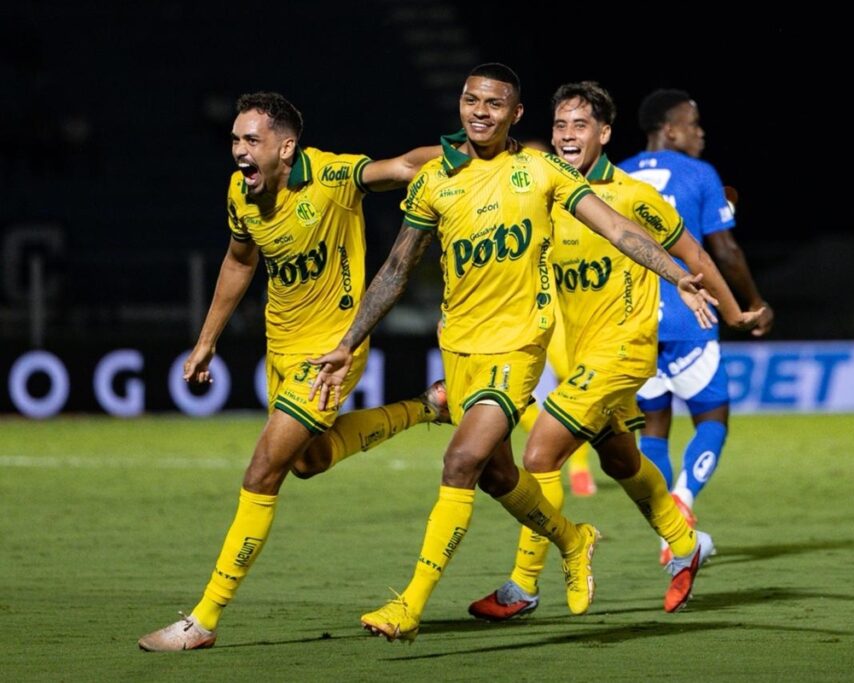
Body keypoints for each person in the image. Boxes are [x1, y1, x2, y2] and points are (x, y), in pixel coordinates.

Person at [307, 64, 717, 642]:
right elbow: (397, 269)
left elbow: (619, 229)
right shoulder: (435, 181)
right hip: (461, 349)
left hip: (520, 347)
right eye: (472, 100)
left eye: (495, 104)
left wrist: (678, 275)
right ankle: (577, 540)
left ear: (514, 115)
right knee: (513, 474)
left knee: (462, 462)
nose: (480, 111)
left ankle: (412, 604)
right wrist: (347, 343)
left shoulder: (542, 170)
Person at [137, 92, 447, 651]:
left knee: (262, 472)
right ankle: (427, 406)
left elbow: (405, 165)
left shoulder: (331, 176)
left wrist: (477, 152)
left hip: (332, 352)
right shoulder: (241, 192)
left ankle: (202, 621)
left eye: (250, 140)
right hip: (278, 351)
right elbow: (239, 260)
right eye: (234, 139)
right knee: (309, 460)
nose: (238, 151)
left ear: (286, 146)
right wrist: (207, 340)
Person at [466, 81, 763, 621]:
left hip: (624, 352)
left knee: (539, 454)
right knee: (622, 458)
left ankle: (523, 585)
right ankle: (685, 543)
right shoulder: (546, 196)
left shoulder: (631, 196)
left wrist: (734, 309)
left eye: (580, 125)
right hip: (580, 354)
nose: (567, 135)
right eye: (560, 126)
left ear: (604, 134)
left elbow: (694, 249)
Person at [618, 90, 774, 563]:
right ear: (669, 129)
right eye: (693, 123)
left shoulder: (617, 174)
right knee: (712, 420)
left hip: (633, 322)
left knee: (654, 431)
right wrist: (752, 303)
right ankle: (683, 501)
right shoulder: (699, 174)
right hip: (692, 317)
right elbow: (723, 250)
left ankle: (669, 530)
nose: (700, 132)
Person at [518, 138, 597, 496]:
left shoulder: (568, 204)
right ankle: (550, 446)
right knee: (512, 395)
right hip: (520, 311)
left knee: (572, 386)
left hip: (564, 309)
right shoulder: (508, 205)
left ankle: (578, 466)